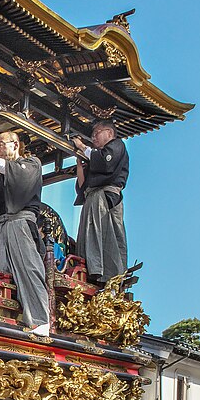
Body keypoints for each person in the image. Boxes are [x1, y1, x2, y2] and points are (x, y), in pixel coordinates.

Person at [0, 131, 51, 336]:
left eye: (1, 145)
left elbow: (19, 176)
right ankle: (1, 318)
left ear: (15, 145)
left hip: (20, 224)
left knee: (28, 268)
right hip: (2, 229)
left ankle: (40, 320)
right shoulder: (0, 177)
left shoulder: (31, 164)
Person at [71, 121, 130, 284]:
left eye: (97, 133)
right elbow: (83, 187)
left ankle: (107, 274)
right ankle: (91, 269)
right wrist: (79, 165)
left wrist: (83, 147)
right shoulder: (95, 157)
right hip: (92, 198)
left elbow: (105, 162)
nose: (93, 137)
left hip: (105, 198)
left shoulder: (117, 145)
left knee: (105, 235)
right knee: (88, 234)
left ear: (109, 133)